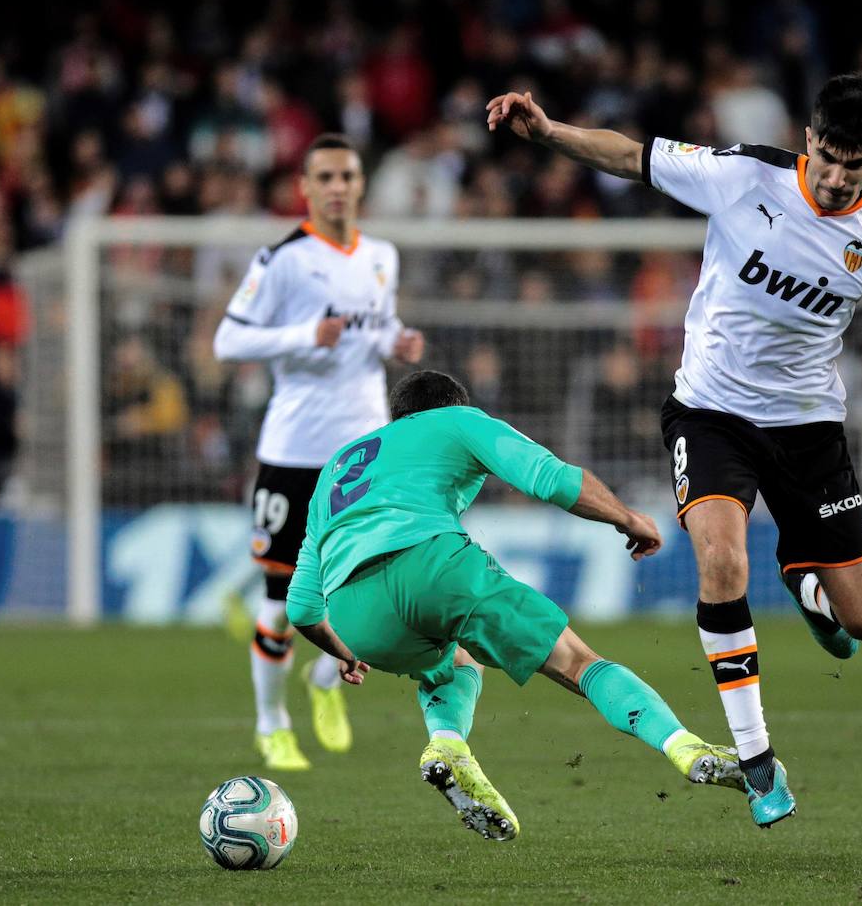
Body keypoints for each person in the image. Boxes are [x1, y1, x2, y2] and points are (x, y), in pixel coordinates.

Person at [486, 74, 862, 827]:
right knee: (722, 561)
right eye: (831, 158)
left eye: (859, 166)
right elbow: (630, 156)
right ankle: (758, 759)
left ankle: (808, 586)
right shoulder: (744, 175)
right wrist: (549, 134)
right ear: (809, 139)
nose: (840, 179)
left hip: (808, 433)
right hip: (709, 413)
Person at [287, 370, 744, 841]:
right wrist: (627, 518)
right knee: (578, 662)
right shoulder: (458, 420)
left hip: (353, 617)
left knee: (451, 664)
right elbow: (551, 479)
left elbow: (301, 607)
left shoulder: (337, 469)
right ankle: (685, 747)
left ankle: (447, 745)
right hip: (432, 563)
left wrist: (345, 652)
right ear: (453, 404)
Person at [213, 133, 425, 771]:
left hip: (365, 452)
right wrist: (304, 333)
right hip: (293, 453)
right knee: (281, 605)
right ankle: (271, 722)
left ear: (361, 184)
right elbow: (227, 341)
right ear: (305, 187)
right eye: (325, 176)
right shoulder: (282, 259)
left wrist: (398, 341)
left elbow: (373, 328)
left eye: (348, 176)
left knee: (379, 593)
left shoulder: (383, 257)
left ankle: (327, 682)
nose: (338, 187)